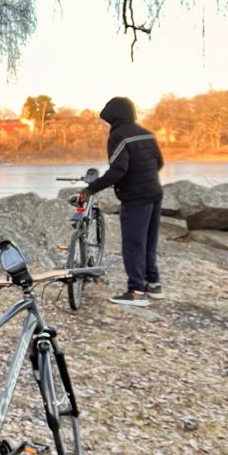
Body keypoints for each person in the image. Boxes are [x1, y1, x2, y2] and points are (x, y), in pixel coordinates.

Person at [84, 95, 165, 307]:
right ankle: (153, 285)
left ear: (114, 117)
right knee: (148, 241)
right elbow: (159, 162)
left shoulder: (119, 136)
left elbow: (119, 169)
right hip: (154, 193)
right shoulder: (146, 134)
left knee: (133, 244)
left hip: (136, 198)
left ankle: (136, 291)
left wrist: (91, 188)